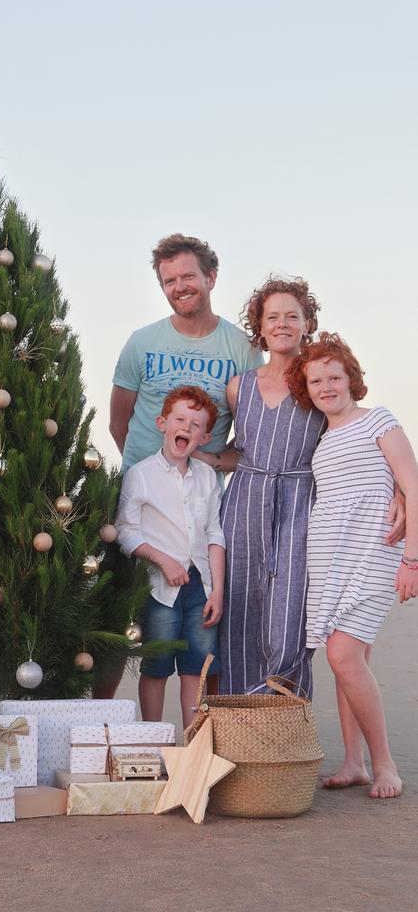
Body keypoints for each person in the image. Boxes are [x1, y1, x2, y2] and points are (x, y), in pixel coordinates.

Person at [287, 333, 418, 799]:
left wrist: (412, 560)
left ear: (351, 379)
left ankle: (385, 766)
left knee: (344, 655)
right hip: (328, 559)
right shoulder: (320, 439)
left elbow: (413, 484)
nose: (326, 386)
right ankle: (353, 762)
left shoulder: (377, 420)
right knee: (346, 661)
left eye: (334, 377)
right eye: (316, 380)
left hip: (374, 555)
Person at [203, 278, 325, 697]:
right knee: (240, 614)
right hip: (243, 505)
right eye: (272, 317)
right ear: (260, 326)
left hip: (299, 505)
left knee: (289, 616)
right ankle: (243, 731)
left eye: (292, 315)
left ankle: (285, 722)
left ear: (306, 322)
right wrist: (198, 459)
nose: (283, 324)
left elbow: (350, 434)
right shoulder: (240, 386)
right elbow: (243, 452)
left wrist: (398, 491)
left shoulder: (318, 381)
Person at [114, 386, 225, 728]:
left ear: (204, 437)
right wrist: (163, 560)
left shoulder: (207, 477)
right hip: (158, 589)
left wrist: (217, 590)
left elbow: (215, 533)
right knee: (157, 666)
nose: (187, 428)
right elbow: (125, 531)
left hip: (201, 589)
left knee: (196, 667)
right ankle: (154, 737)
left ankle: (192, 744)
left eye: (196, 425)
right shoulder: (141, 474)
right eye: (180, 420)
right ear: (163, 423)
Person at [110, 233, 262, 471]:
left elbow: (253, 434)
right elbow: (118, 425)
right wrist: (148, 472)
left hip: (203, 498)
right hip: (140, 495)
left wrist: (210, 463)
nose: (179, 287)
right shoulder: (141, 342)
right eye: (169, 281)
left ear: (210, 278)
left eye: (188, 276)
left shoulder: (243, 348)